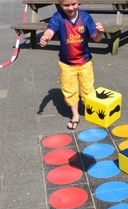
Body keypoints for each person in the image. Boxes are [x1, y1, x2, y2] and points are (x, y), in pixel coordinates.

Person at [40, 0, 104, 130]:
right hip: (67, 64)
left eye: (73, 4)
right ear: (60, 4)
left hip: (85, 61)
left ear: (78, 2)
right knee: (69, 90)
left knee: (88, 89)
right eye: (66, 5)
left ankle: (90, 112)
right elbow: (50, 30)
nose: (70, 8)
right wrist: (46, 37)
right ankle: (75, 115)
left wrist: (100, 32)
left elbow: (96, 38)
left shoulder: (85, 17)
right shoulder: (58, 17)